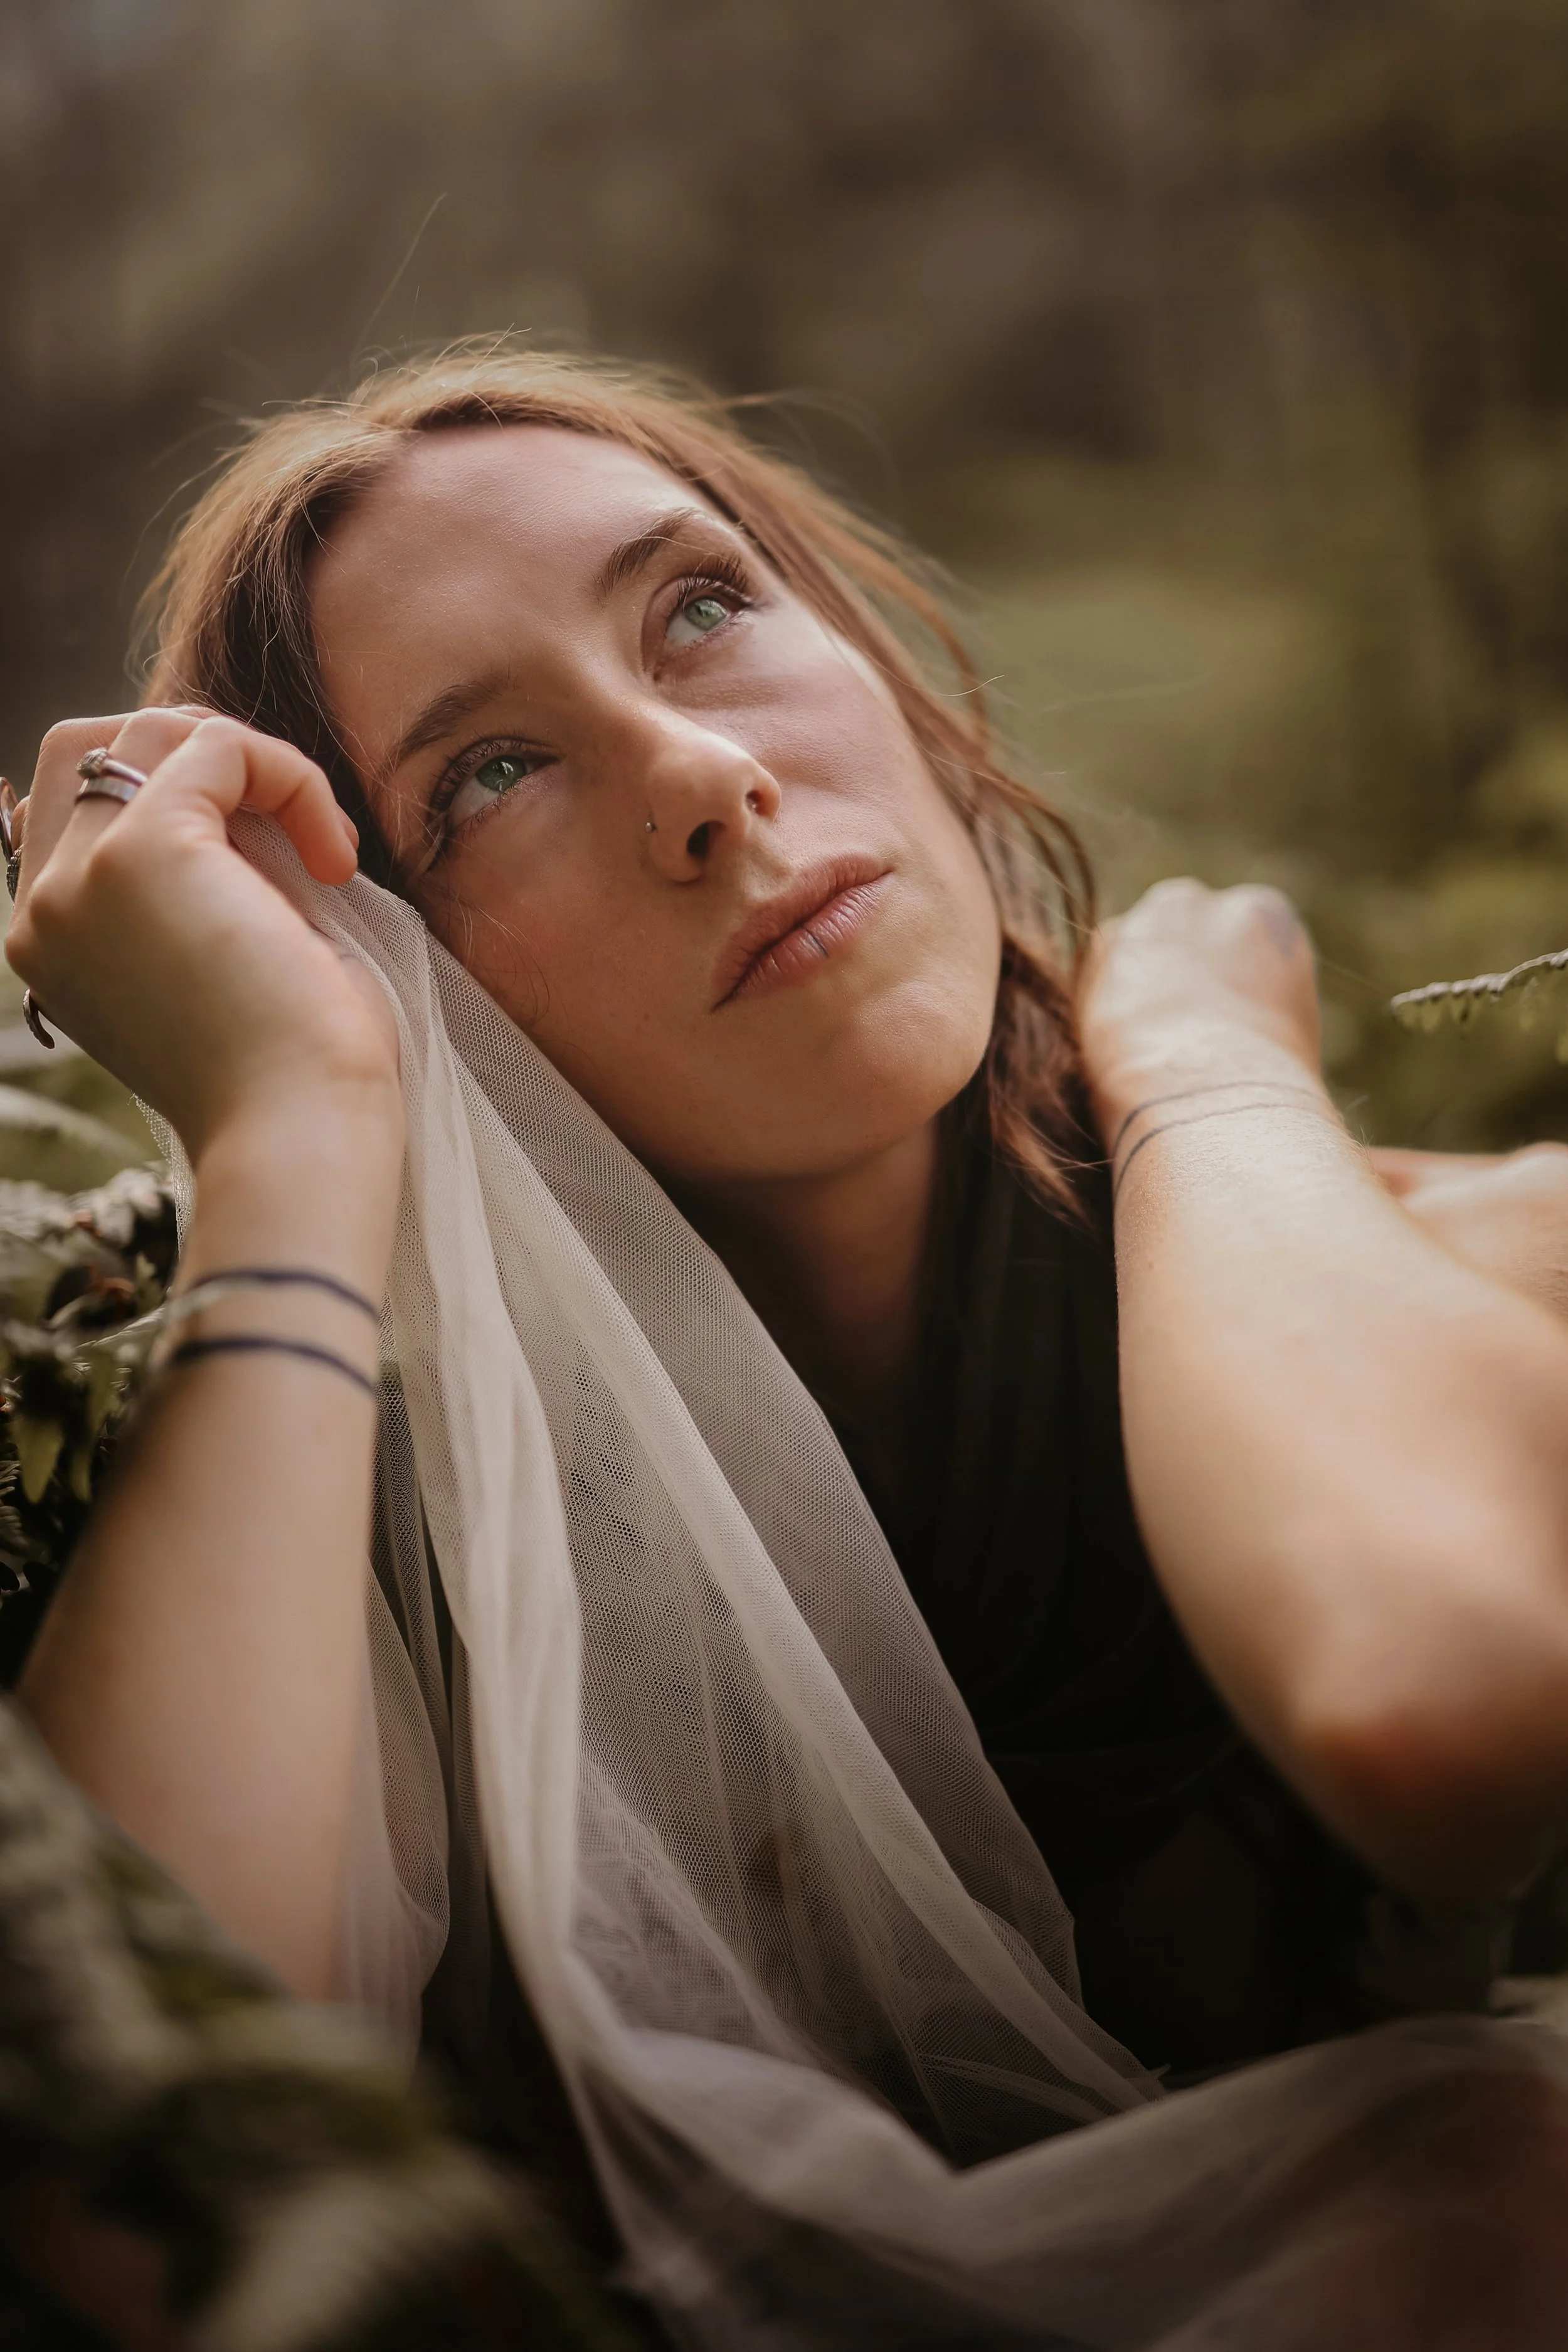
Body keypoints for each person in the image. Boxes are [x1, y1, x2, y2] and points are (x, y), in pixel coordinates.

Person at [8, 345, 1568, 2347]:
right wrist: (293, 1131)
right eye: (489, 774)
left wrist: (1194, 1066)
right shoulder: (387, 1576)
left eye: (702, 608)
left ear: (886, 675)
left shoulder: (1462, 1269)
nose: (694, 776)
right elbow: (123, 2196)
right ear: (389, 974)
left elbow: (1436, 1692)